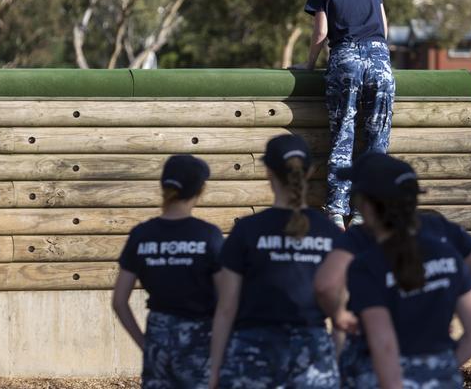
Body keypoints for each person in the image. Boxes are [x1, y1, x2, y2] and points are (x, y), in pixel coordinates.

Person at [314, 156, 471, 388]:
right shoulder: (448, 253)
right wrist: (440, 368)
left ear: (366, 205)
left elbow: (384, 346)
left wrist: (339, 317)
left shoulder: (367, 264)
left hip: (376, 375)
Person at [209, 134, 343, 388]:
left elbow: (226, 308)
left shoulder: (246, 230)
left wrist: (215, 370)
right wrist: (334, 366)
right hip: (312, 351)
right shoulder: (331, 234)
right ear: (311, 170)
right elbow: (341, 315)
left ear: (268, 172)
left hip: (251, 352)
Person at [303, 0, 394, 229]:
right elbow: (384, 26)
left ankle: (336, 211)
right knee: (376, 138)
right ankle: (363, 212)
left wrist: (308, 65)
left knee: (344, 135)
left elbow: (321, 32)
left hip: (346, 59)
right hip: (380, 60)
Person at [112, 155, 224, 389]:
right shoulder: (208, 235)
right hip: (201, 342)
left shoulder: (141, 235)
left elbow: (119, 301)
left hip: (158, 338)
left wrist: (146, 345)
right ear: (199, 190)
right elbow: (227, 301)